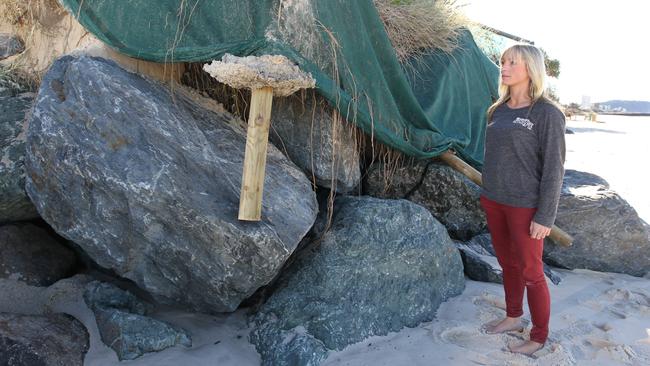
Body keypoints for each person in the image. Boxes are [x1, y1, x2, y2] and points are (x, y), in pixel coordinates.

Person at [480, 44, 566, 356]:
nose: (503, 67)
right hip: (494, 201)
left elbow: (555, 168)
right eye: (502, 61)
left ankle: (538, 336)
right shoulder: (497, 110)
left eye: (511, 62)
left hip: (526, 206)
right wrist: (487, 193)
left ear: (529, 68)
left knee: (532, 272)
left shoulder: (548, 113)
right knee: (507, 264)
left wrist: (545, 216)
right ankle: (514, 317)